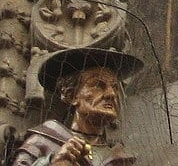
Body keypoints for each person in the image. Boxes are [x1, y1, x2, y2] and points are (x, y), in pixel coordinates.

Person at [8, 47, 142, 166]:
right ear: (71, 96)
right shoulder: (42, 142)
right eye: (98, 85)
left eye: (114, 87)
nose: (111, 94)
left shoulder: (119, 158)